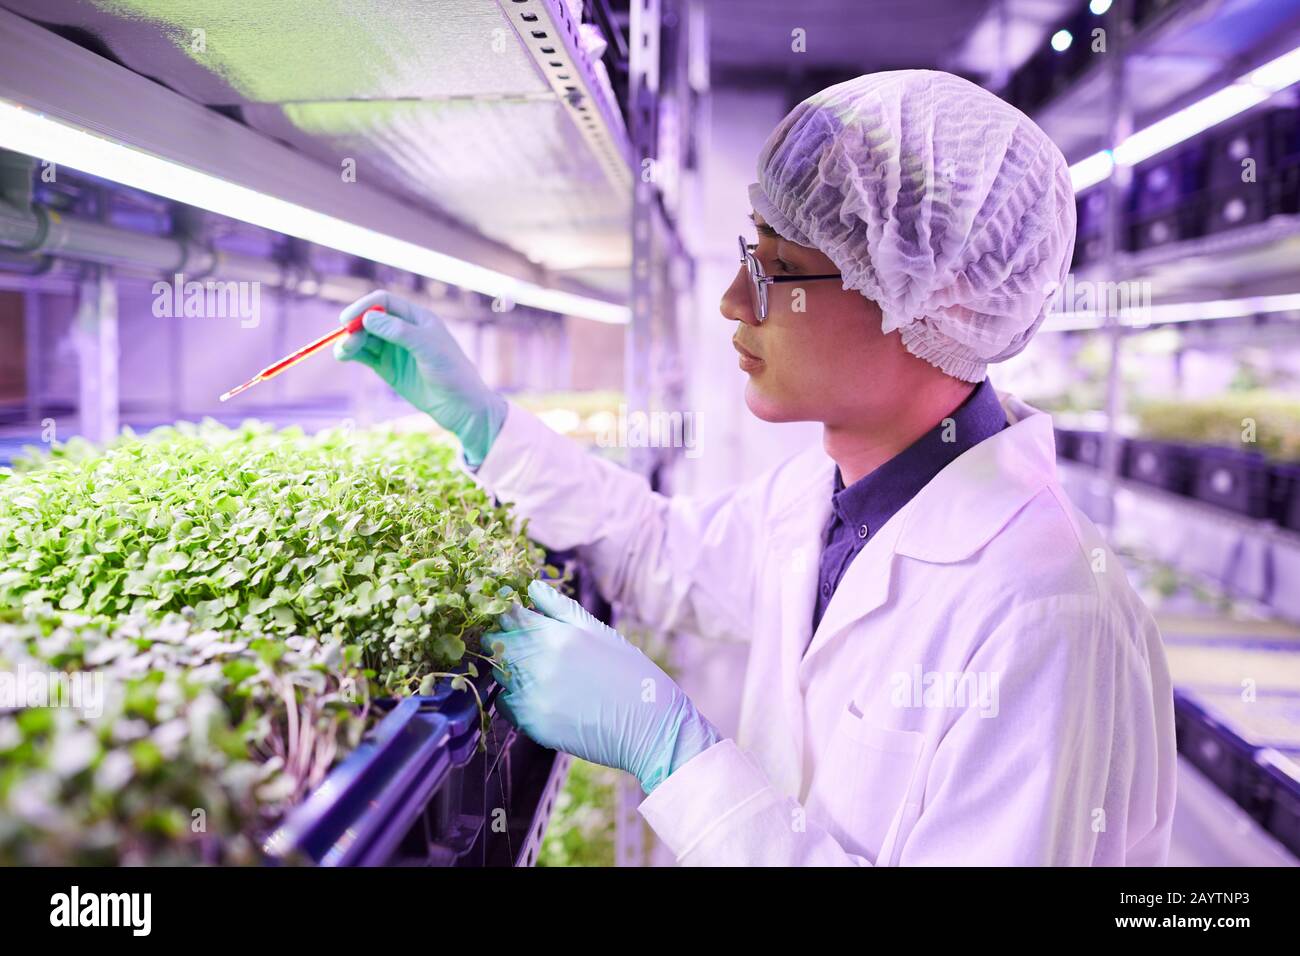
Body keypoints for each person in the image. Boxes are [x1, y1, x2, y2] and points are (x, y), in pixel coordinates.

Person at [335, 70, 1176, 866]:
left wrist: (672, 753)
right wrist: (484, 423)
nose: (736, 300)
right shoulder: (831, 495)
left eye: (776, 269)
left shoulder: (1050, 616)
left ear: (919, 295)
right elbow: (661, 551)